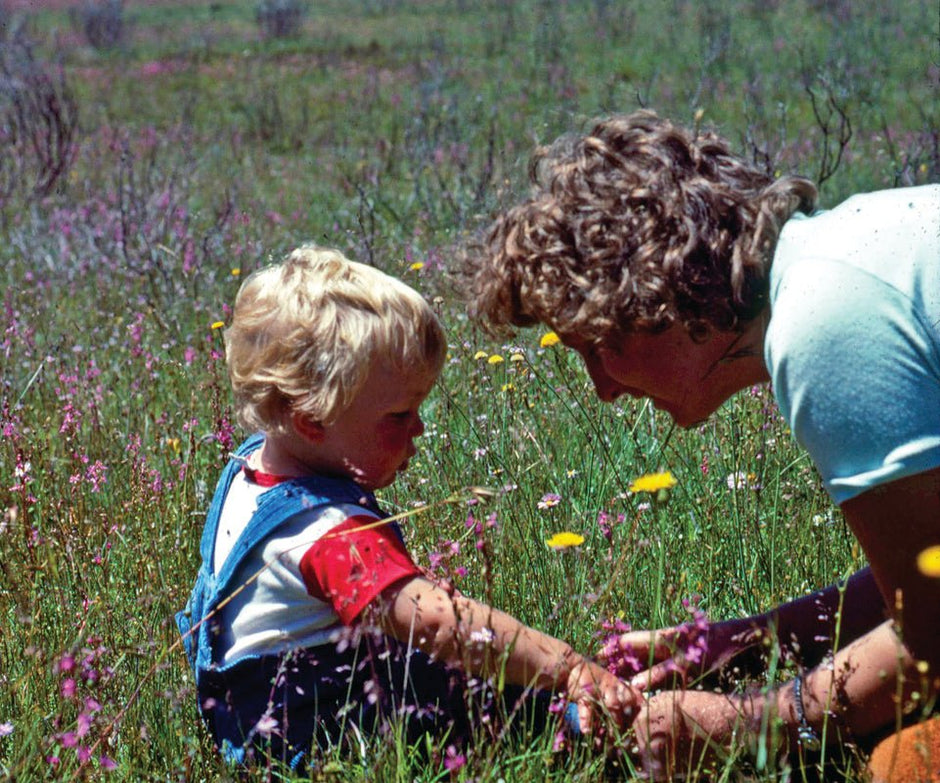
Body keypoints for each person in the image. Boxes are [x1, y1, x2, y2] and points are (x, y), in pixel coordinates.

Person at [463, 110, 940, 781]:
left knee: (906, 765)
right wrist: (753, 639)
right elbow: (928, 571)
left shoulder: (823, 330)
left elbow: (932, 639)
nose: (602, 389)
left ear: (652, 297)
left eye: (597, 349)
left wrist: (747, 724)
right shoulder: (840, 251)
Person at [176, 245, 636, 770]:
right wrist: (569, 668)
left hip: (255, 726)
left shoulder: (248, 471)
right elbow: (440, 625)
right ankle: (597, 741)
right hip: (329, 745)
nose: (418, 428)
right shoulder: (325, 533)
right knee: (517, 711)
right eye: (399, 415)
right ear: (311, 420)